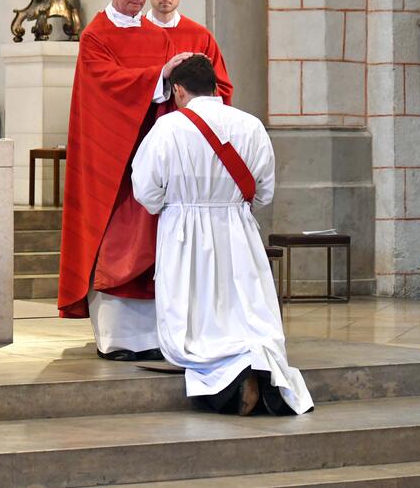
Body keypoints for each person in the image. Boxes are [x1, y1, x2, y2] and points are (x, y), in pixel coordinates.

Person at [132, 56, 313, 415]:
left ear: (179, 90)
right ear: (215, 88)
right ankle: (257, 365)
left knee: (195, 320)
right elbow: (264, 191)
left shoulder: (167, 128)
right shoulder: (250, 125)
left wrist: (178, 205)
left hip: (184, 233)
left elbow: (146, 191)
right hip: (237, 230)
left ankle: (229, 377)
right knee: (244, 309)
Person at [57, 0, 194, 361]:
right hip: (111, 159)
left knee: (153, 244)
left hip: (154, 161)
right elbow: (104, 86)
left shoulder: (157, 36)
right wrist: (158, 77)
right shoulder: (96, 35)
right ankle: (117, 339)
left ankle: (157, 337)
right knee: (116, 242)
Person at [146, 0, 233, 104]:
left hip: (189, 123)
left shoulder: (200, 36)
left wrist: (197, 85)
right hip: (145, 123)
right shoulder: (135, 33)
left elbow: (223, 89)